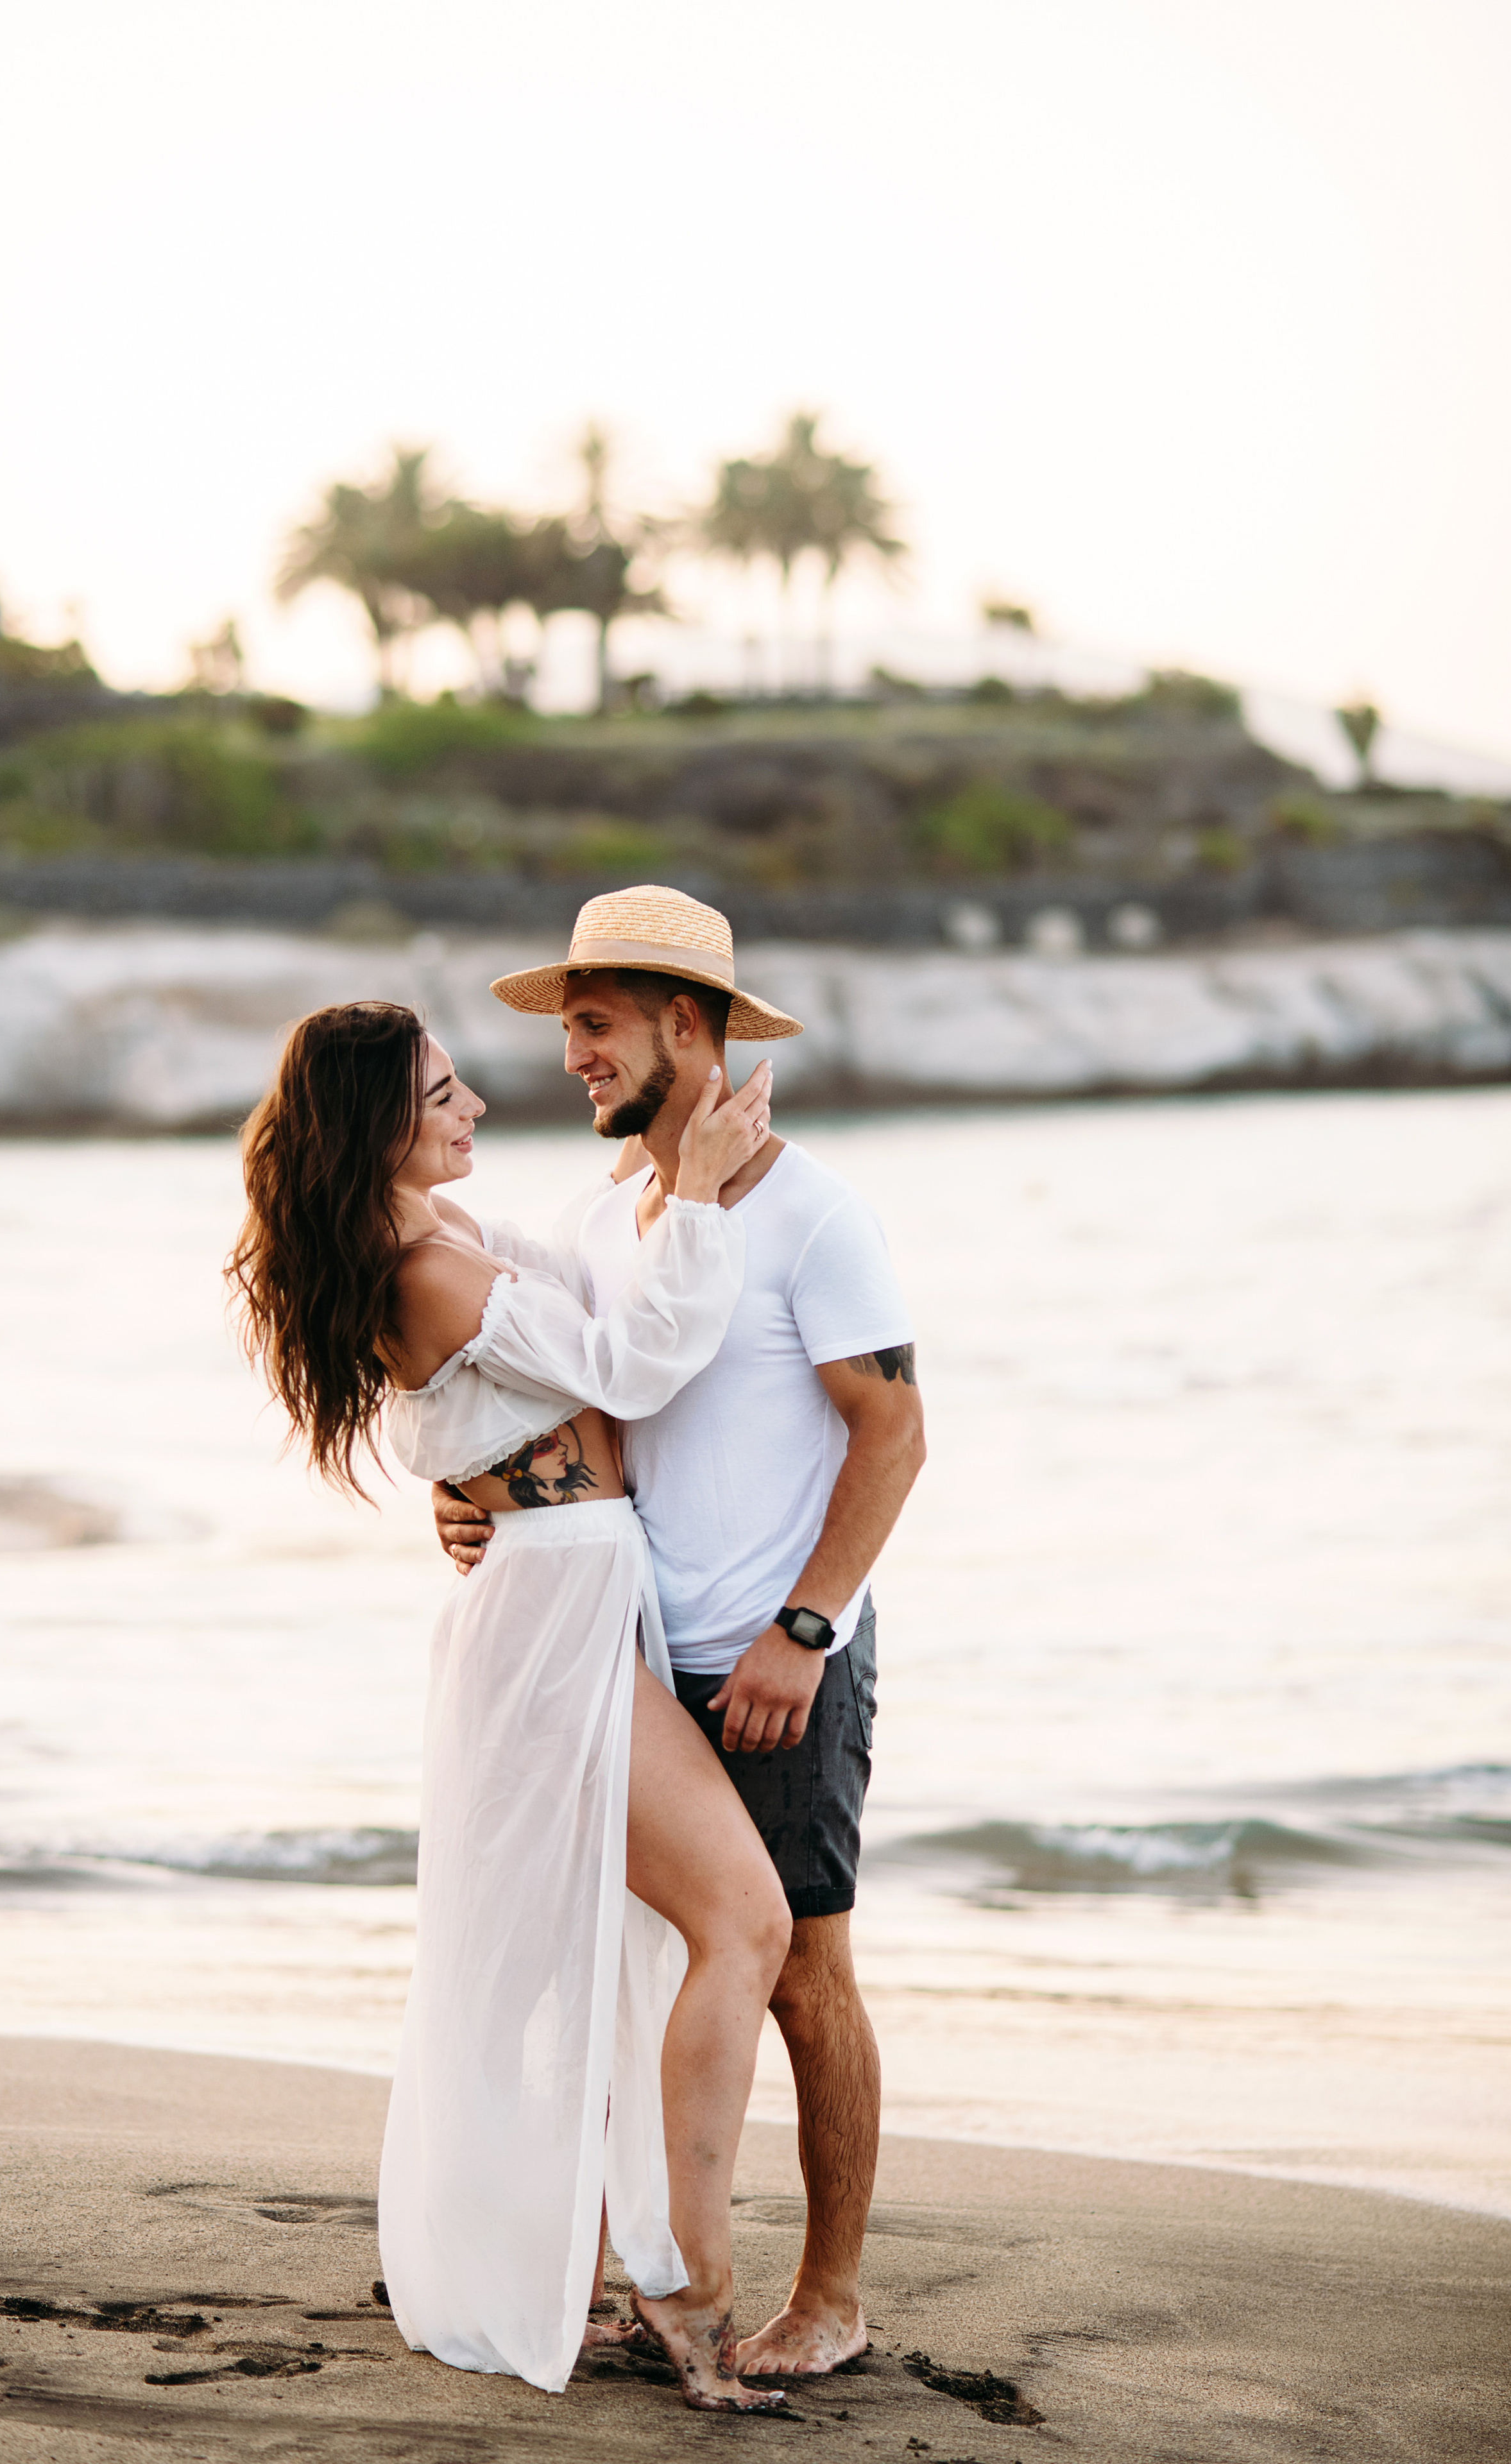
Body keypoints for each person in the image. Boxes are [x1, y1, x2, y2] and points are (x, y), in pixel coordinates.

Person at [226, 998, 792, 2411]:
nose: (475, 1106)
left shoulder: (448, 1241)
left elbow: (583, 1314)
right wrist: (708, 1195)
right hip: (552, 1614)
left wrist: (671, 1173)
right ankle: (683, 2280)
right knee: (741, 1921)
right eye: (442, 1093)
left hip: (563, 1594)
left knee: (600, 1951)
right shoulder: (419, 1264)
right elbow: (635, 1360)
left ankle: (600, 2250)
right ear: (380, 1125)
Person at [436, 886, 926, 2378]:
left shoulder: (815, 1214)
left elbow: (893, 1434)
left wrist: (804, 1625)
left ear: (689, 1028)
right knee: (626, 1968)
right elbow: (574, 1407)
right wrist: (477, 1509)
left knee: (801, 1976)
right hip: (629, 1661)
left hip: (774, 1664)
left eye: (595, 1027)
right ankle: (636, 2257)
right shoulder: (606, 1219)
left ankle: (827, 2295)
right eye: (570, 1028)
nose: (572, 1056)